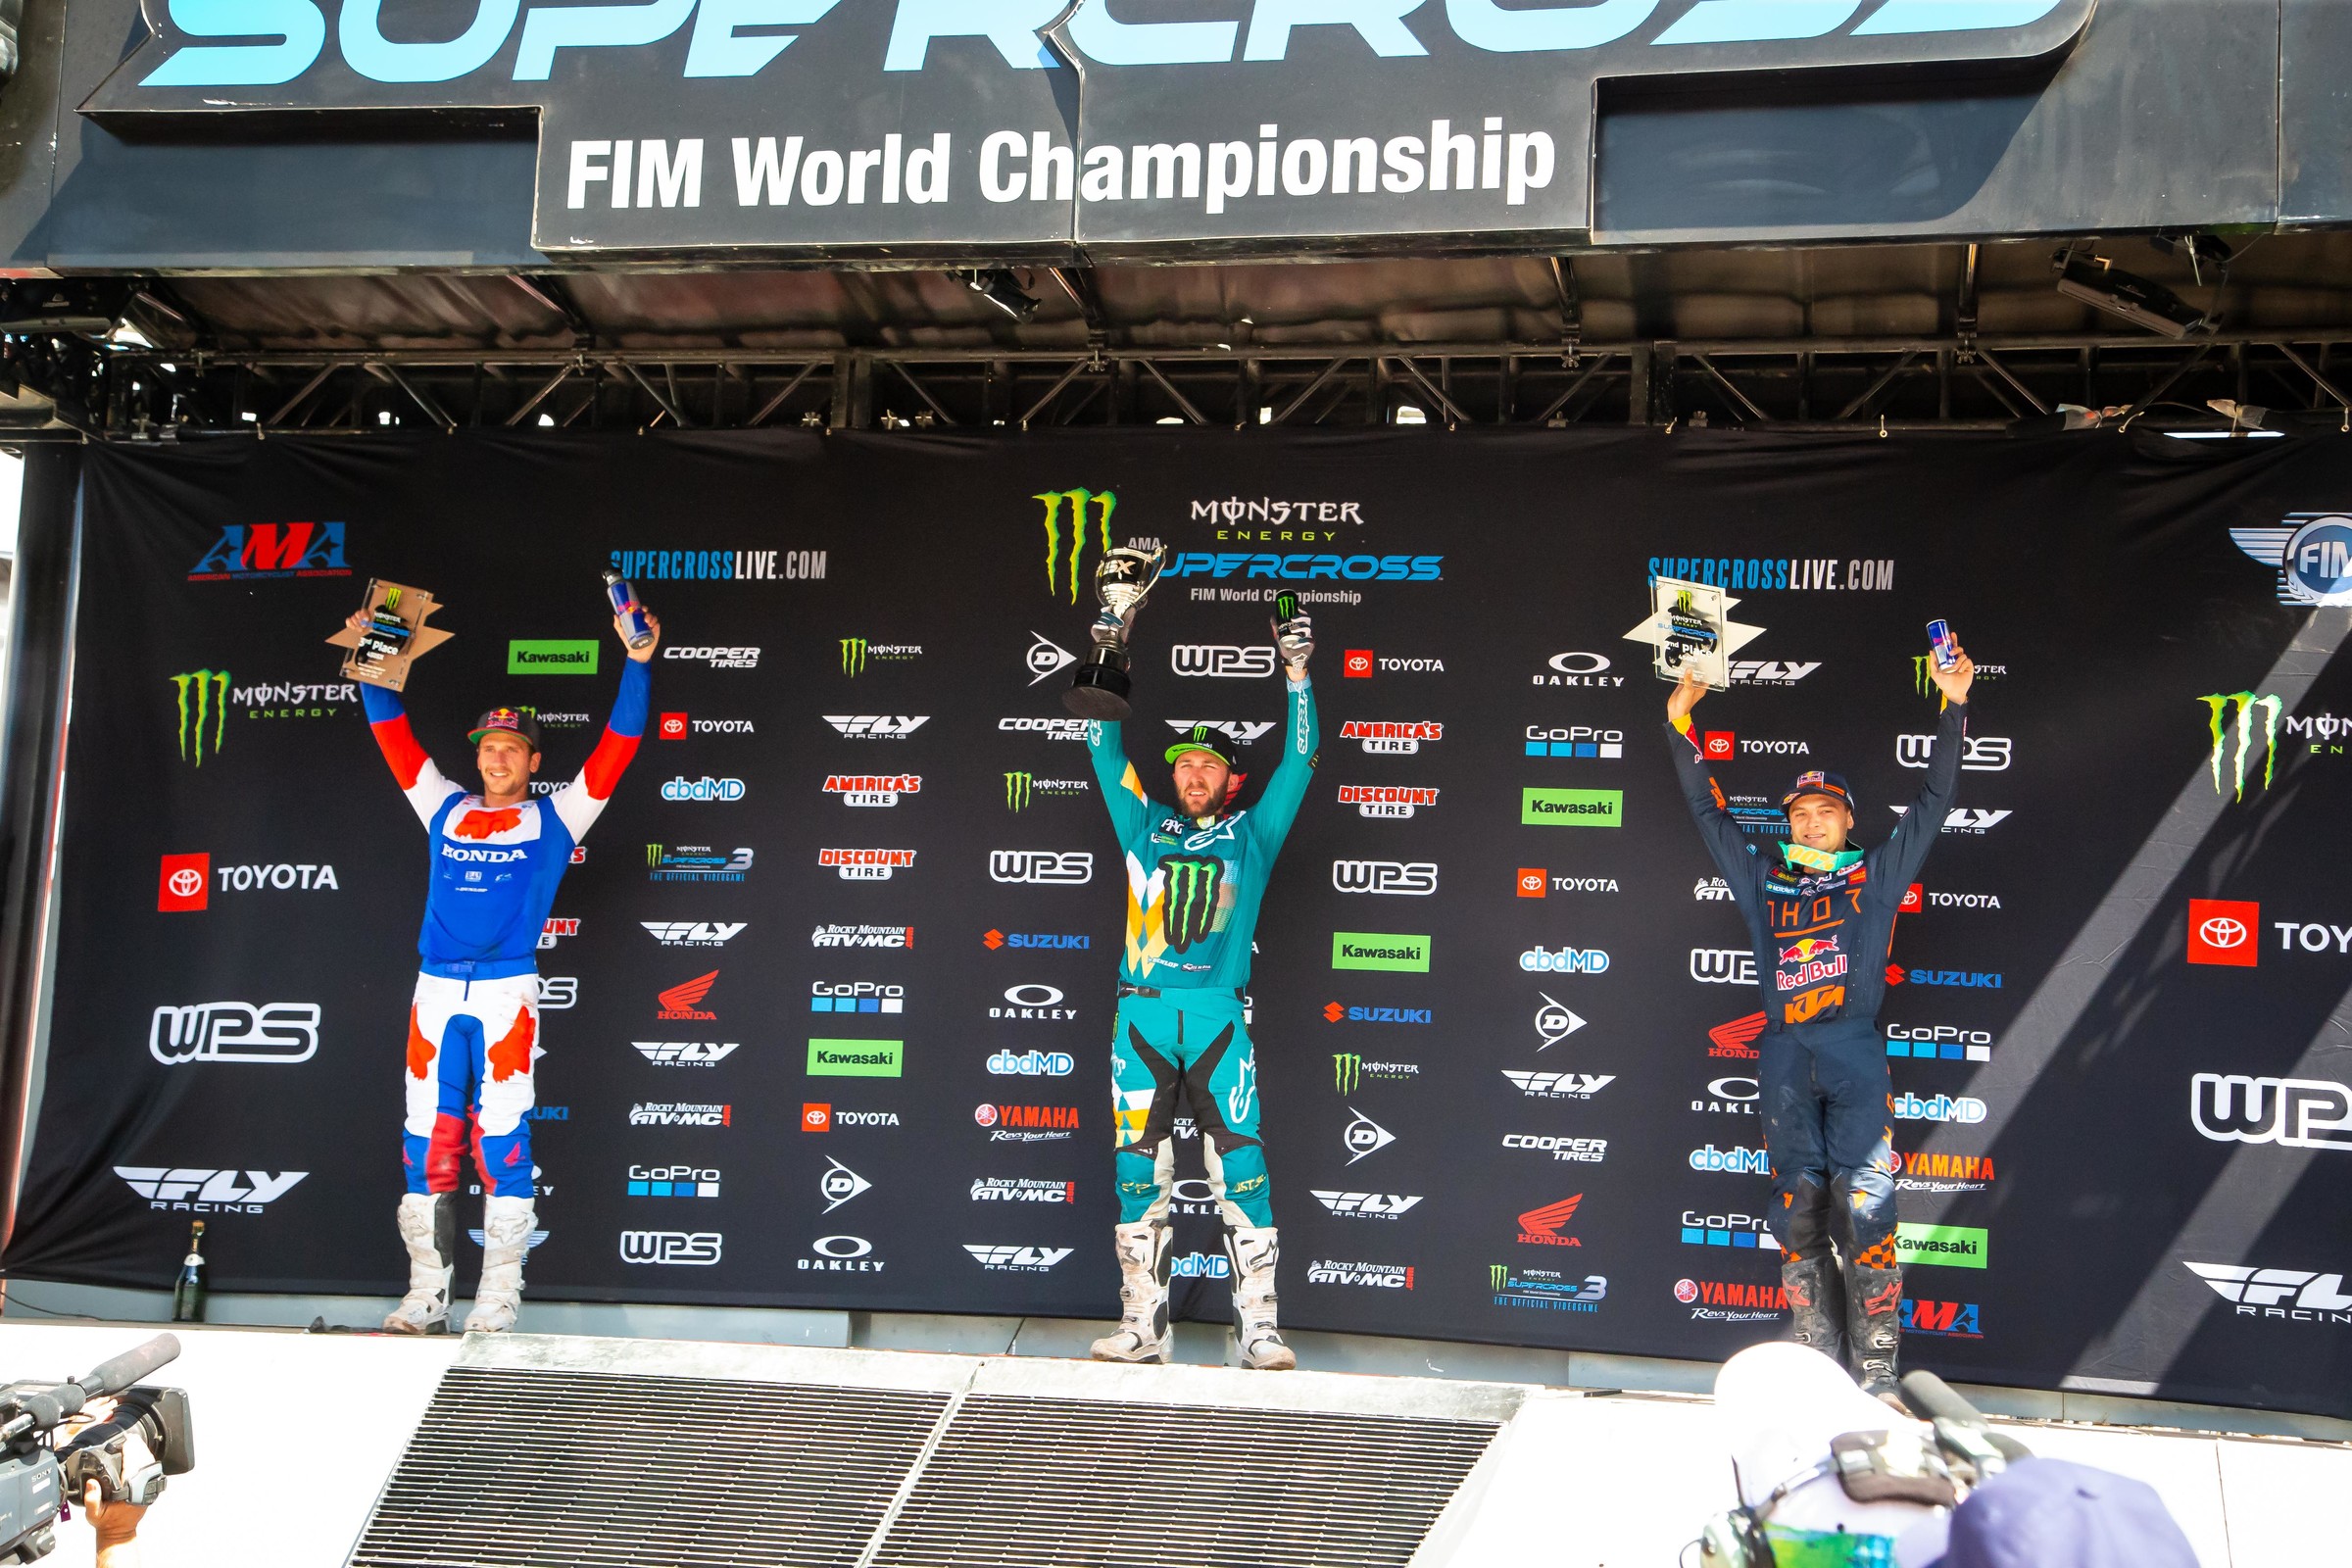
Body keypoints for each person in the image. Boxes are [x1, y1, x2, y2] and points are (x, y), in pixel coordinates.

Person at [1666, 641, 1974, 1401]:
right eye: (1800, 815)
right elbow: (1707, 812)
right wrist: (1679, 723)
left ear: (1847, 821)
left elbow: (1935, 801)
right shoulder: (1762, 879)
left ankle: (1878, 1370)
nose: (1810, 824)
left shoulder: (1877, 875)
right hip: (1783, 1057)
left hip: (1853, 1051)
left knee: (1868, 1207)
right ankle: (1817, 1358)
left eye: (1824, 813)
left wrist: (1955, 706)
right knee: (1797, 1207)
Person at [353, 605, 658, 1334]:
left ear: (533, 762)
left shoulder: (558, 818)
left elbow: (618, 745)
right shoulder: (443, 807)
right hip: (434, 991)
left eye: (512, 749)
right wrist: (375, 650)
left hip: (505, 995)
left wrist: (639, 663)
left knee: (503, 1138)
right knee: (425, 1138)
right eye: (489, 747)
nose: (497, 759)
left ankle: (497, 1297)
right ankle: (427, 1297)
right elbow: (391, 731)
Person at [1083, 608, 1318, 1369]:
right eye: (1184, 764)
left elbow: (1300, 761)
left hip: (1217, 1019)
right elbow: (1101, 741)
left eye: (1209, 766)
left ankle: (1260, 1329)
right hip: (1141, 1021)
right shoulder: (1141, 823)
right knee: (1134, 1175)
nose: (1193, 774)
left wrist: (1298, 676)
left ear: (1231, 779)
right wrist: (1112, 645)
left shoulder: (1254, 834)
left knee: (1242, 1170)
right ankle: (1141, 1327)